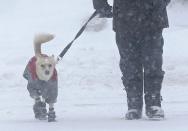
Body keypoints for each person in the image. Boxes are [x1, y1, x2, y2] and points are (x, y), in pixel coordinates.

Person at [93, 0, 170, 120]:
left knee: (153, 62)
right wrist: (100, 5)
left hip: (153, 16)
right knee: (129, 64)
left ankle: (154, 102)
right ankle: (133, 103)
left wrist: (159, 3)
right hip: (124, 17)